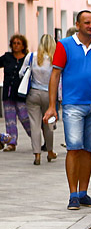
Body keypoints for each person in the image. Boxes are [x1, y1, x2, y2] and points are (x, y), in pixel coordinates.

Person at [44, 11, 91, 210]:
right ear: (78, 24)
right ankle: (73, 194)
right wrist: (52, 106)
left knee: (88, 150)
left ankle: (83, 193)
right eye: (87, 22)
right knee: (74, 148)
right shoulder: (64, 45)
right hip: (72, 105)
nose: (90, 26)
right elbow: (55, 75)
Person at [21, 34, 58, 165]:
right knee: (49, 124)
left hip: (33, 94)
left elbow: (22, 73)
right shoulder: (55, 59)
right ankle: (50, 151)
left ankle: (37, 155)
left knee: (34, 125)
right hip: (50, 94)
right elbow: (59, 79)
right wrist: (59, 98)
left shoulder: (31, 56)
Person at [1, 34, 33, 152]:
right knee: (10, 120)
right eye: (14, 43)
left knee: (25, 118)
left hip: (21, 94)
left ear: (23, 45)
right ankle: (11, 143)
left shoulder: (28, 58)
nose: (16, 45)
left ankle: (35, 138)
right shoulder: (7, 57)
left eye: (18, 43)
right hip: (8, 93)